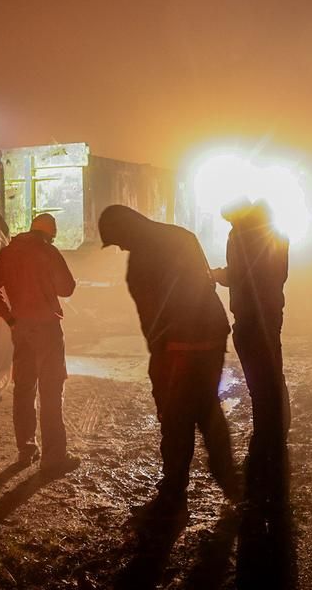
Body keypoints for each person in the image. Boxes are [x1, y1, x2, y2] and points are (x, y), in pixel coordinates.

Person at [97, 204, 241, 509]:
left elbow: (151, 316)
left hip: (177, 345)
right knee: (208, 410)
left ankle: (175, 487)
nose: (120, 247)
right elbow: (208, 282)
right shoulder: (182, 235)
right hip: (212, 335)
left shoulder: (139, 263)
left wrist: (159, 356)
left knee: (177, 417)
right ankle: (230, 483)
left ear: (126, 229)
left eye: (117, 240)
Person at [0, 213, 81, 475]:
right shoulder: (48, 252)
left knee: (24, 389)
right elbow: (68, 288)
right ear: (50, 234)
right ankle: (54, 457)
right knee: (51, 391)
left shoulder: (9, 252)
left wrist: (9, 317)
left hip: (21, 328)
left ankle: (26, 449)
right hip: (48, 330)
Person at [214, 199, 290, 454]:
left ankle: (266, 436)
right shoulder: (274, 230)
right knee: (271, 373)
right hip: (270, 310)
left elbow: (241, 273)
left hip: (250, 315)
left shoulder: (242, 234)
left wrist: (216, 275)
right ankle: (275, 430)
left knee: (259, 379)